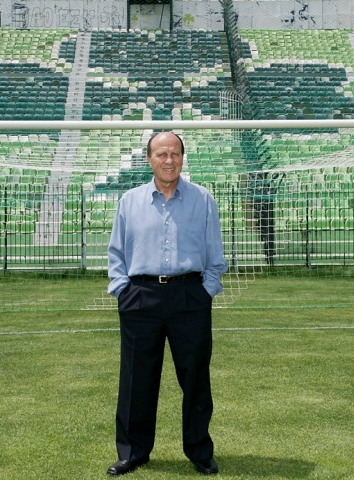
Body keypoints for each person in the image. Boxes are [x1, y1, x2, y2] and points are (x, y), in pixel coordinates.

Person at [106, 131, 228, 476]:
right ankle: (133, 452)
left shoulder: (202, 199)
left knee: (195, 377)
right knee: (137, 378)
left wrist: (206, 291)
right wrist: (123, 290)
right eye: (161, 154)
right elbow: (116, 252)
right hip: (140, 297)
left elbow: (215, 254)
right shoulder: (129, 201)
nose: (169, 160)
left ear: (182, 158)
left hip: (190, 296)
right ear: (149, 159)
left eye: (175, 153)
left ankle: (199, 450)